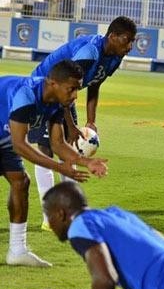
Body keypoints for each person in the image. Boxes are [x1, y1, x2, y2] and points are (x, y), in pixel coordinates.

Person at [30, 16, 136, 230]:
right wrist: (70, 125)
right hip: (44, 91)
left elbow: (95, 85)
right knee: (46, 152)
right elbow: (64, 85)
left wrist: (90, 121)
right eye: (127, 40)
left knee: (68, 152)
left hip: (64, 96)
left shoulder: (114, 56)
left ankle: (70, 212)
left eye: (133, 41)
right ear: (112, 36)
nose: (130, 46)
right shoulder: (89, 52)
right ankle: (49, 216)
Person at [1, 60, 108, 267]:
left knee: (21, 182)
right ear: (53, 84)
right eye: (72, 89)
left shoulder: (58, 102)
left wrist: (87, 162)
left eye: (77, 88)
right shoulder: (26, 95)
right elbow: (19, 145)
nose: (76, 95)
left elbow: (58, 144)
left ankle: (17, 250)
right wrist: (60, 167)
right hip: (9, 139)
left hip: (3, 138)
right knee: (20, 178)